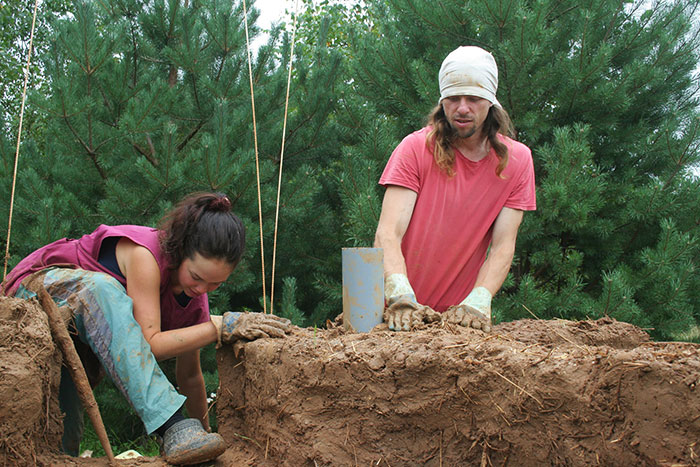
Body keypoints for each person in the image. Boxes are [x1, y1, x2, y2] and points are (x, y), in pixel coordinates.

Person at [1, 192, 291, 465]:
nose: (202, 289)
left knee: (60, 442)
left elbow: (190, 375)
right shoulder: (145, 255)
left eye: (215, 284)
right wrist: (219, 327)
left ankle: (180, 431)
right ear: (180, 250)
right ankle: (171, 424)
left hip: (77, 339)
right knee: (103, 288)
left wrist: (201, 438)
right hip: (36, 288)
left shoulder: (194, 300)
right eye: (196, 277)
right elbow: (149, 343)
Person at [374, 46, 536, 332]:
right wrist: (399, 292)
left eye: (473, 99)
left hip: (458, 324)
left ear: (490, 102)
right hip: (395, 318)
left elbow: (502, 245)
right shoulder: (415, 148)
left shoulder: (517, 161)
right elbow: (388, 233)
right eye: (453, 98)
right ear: (442, 101)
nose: (462, 108)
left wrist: (480, 299)